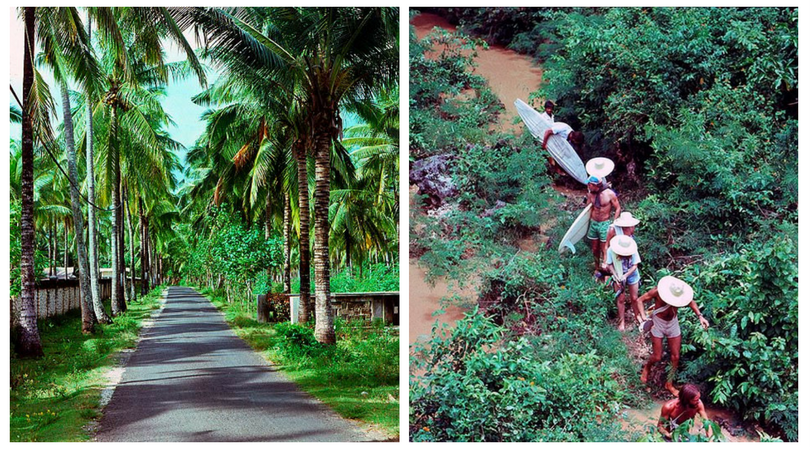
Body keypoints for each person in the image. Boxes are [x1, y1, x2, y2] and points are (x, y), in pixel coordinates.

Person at [639, 276, 710, 396]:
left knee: (676, 357)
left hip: (672, 323)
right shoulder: (657, 291)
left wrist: (700, 316)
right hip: (658, 323)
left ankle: (669, 383)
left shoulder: (682, 295)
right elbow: (639, 300)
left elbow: (691, 302)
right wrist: (643, 318)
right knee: (657, 356)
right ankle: (647, 368)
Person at [586, 176, 621, 277]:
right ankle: (597, 269)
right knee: (595, 248)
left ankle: (605, 272)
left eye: (590, 184)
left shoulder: (609, 194)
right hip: (593, 223)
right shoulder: (590, 194)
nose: (588, 186)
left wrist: (614, 223)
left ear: (596, 185)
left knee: (605, 248)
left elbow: (618, 208)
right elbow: (587, 209)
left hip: (604, 223)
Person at [606, 235, 642, 331]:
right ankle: (622, 321)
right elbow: (609, 264)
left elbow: (635, 265)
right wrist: (616, 276)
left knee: (634, 298)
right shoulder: (611, 250)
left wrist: (626, 276)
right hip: (618, 273)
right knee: (620, 299)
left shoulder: (633, 249)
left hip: (632, 274)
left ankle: (637, 316)